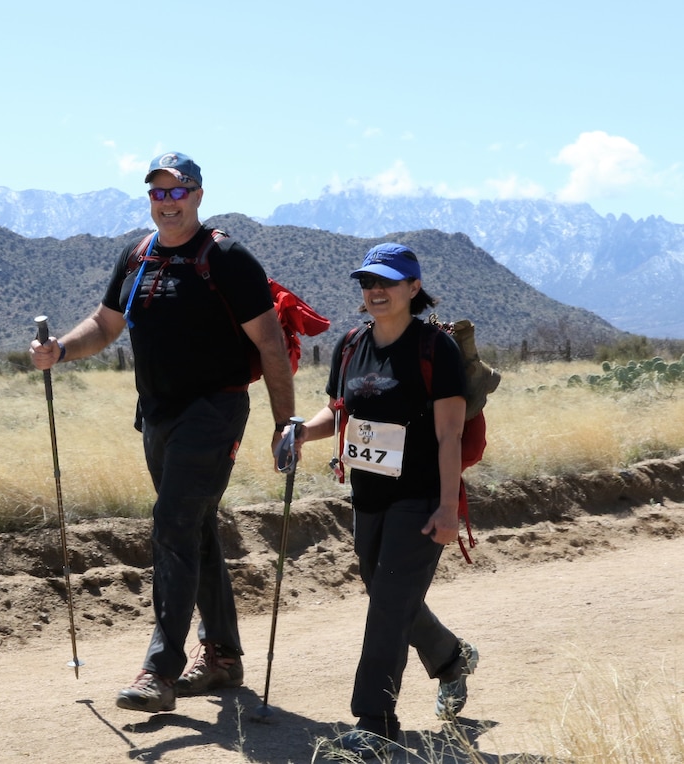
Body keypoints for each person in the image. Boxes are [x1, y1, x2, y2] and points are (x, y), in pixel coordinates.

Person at [30, 151, 295, 714]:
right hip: (157, 413)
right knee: (192, 530)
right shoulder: (136, 257)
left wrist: (283, 424)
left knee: (172, 523)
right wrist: (60, 351)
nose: (167, 202)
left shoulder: (224, 257)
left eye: (178, 191)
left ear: (198, 195)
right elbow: (105, 326)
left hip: (215, 410)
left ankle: (160, 670)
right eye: (158, 192)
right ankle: (222, 655)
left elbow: (271, 344)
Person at [294, 242, 479, 758]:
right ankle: (450, 658)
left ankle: (375, 723)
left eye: (388, 282)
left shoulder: (433, 348)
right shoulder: (351, 345)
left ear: (413, 288)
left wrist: (447, 508)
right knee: (388, 596)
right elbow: (340, 413)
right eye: (368, 283)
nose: (375, 291)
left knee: (386, 609)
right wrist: (301, 433)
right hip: (368, 496)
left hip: (420, 498)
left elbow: (449, 435)